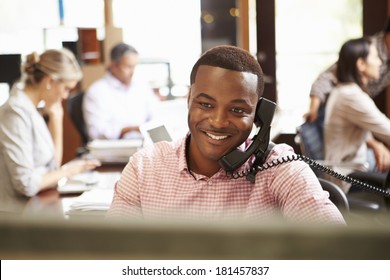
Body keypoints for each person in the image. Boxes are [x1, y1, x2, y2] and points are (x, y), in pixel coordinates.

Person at [107, 45, 345, 225]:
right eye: (206, 105)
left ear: (259, 115)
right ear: (189, 100)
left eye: (237, 110)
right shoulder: (144, 167)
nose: (218, 122)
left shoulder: (280, 168)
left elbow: (339, 250)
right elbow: (111, 255)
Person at [0, 49, 101, 213]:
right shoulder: (15, 114)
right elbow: (26, 184)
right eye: (66, 89)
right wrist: (68, 171)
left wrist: (56, 119)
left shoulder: (31, 108)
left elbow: (52, 167)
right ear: (49, 82)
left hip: (36, 207)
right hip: (17, 216)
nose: (65, 96)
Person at [324, 37, 390, 194]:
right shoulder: (351, 96)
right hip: (348, 179)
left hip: (353, 167)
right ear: (360, 64)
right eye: (375, 57)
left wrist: (375, 144)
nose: (380, 62)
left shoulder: (344, 90)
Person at [304, 16, 390, 124]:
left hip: (356, 109)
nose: (378, 62)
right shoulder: (370, 48)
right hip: (331, 112)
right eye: (375, 58)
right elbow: (324, 79)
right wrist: (313, 110)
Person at [83, 43, 159, 140]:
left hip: (143, 143)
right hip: (114, 149)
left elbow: (155, 115)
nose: (133, 72)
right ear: (114, 66)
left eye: (134, 66)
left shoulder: (142, 86)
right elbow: (96, 133)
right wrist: (127, 130)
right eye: (128, 67)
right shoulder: (96, 92)